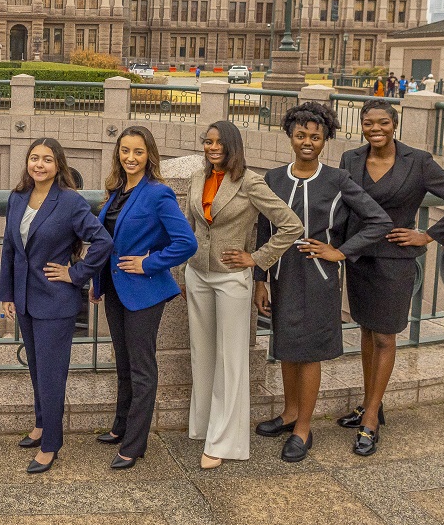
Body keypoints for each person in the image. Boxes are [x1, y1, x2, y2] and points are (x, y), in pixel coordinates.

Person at [336, 99, 444, 455]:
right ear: (362, 125)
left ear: (394, 124)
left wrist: (428, 235)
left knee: (385, 337)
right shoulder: (350, 159)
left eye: (383, 122)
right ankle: (373, 404)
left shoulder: (418, 162)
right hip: (359, 259)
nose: (375, 129)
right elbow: (341, 207)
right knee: (367, 333)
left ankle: (370, 419)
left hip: (394, 262)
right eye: (368, 123)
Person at [254, 102, 392, 462]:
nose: (307, 142)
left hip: (319, 277)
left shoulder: (337, 180)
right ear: (290, 137)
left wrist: (340, 252)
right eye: (301, 135)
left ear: (325, 140)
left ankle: (304, 429)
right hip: (282, 273)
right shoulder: (273, 179)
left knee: (310, 350)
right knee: (285, 345)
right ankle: (289, 413)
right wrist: (259, 279)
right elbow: (263, 230)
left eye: (315, 136)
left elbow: (378, 221)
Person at [181, 120, 303, 468]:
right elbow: (192, 227)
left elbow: (291, 224)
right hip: (198, 274)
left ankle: (226, 443)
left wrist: (257, 258)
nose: (212, 147)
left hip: (232, 278)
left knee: (231, 359)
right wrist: (185, 273)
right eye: (208, 141)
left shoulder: (250, 182)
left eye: (219, 142)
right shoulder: (197, 178)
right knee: (202, 354)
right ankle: (205, 427)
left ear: (232, 145)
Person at [0, 138, 113, 474]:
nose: (39, 165)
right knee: (36, 369)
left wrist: (75, 273)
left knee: (51, 375)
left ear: (58, 165)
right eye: (34, 158)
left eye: (47, 160)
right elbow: (9, 248)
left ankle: (51, 445)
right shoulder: (17, 197)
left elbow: (103, 241)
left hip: (55, 302)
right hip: (24, 300)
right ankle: (40, 426)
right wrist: (5, 294)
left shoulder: (69, 202)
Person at [92, 125, 197, 469]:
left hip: (144, 292)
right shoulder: (116, 190)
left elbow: (186, 242)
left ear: (149, 155)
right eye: (125, 151)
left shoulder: (158, 193)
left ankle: (134, 445)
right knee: (123, 364)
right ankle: (121, 428)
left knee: (142, 369)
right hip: (114, 289)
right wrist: (97, 280)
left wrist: (150, 262)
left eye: (138, 152)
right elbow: (106, 241)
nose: (130, 158)